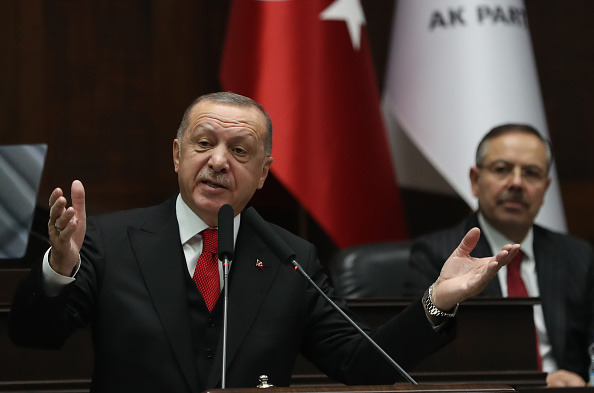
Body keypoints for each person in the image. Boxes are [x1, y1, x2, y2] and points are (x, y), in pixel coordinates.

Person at [8, 92, 519, 392]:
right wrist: (57, 267)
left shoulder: (291, 258)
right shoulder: (108, 239)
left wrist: (436, 303)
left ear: (263, 173)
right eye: (203, 143)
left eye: (240, 150)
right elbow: (34, 337)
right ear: (177, 154)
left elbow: (358, 362)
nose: (218, 161)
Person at [404, 124, 594, 387]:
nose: (516, 183)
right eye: (502, 169)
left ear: (545, 188)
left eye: (531, 173)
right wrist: (535, 383)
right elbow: (425, 354)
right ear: (474, 180)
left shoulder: (578, 256)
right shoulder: (437, 254)